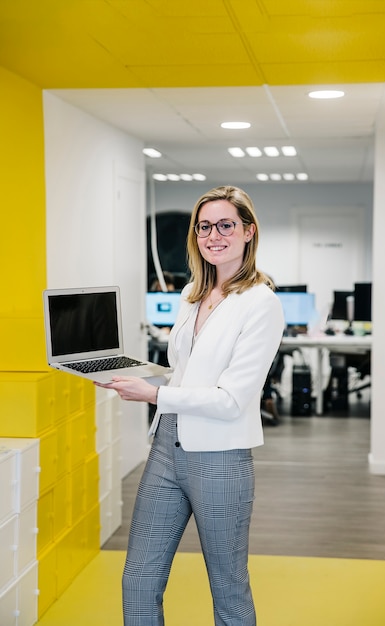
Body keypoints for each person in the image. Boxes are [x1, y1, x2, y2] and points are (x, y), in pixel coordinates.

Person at [96, 185, 284, 626]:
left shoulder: (261, 303)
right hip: (166, 449)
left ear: (248, 232)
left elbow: (232, 400)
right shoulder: (192, 294)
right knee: (138, 581)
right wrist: (141, 375)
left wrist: (154, 394)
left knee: (228, 588)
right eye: (204, 227)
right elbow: (185, 368)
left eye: (225, 225)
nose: (213, 235)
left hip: (219, 458)